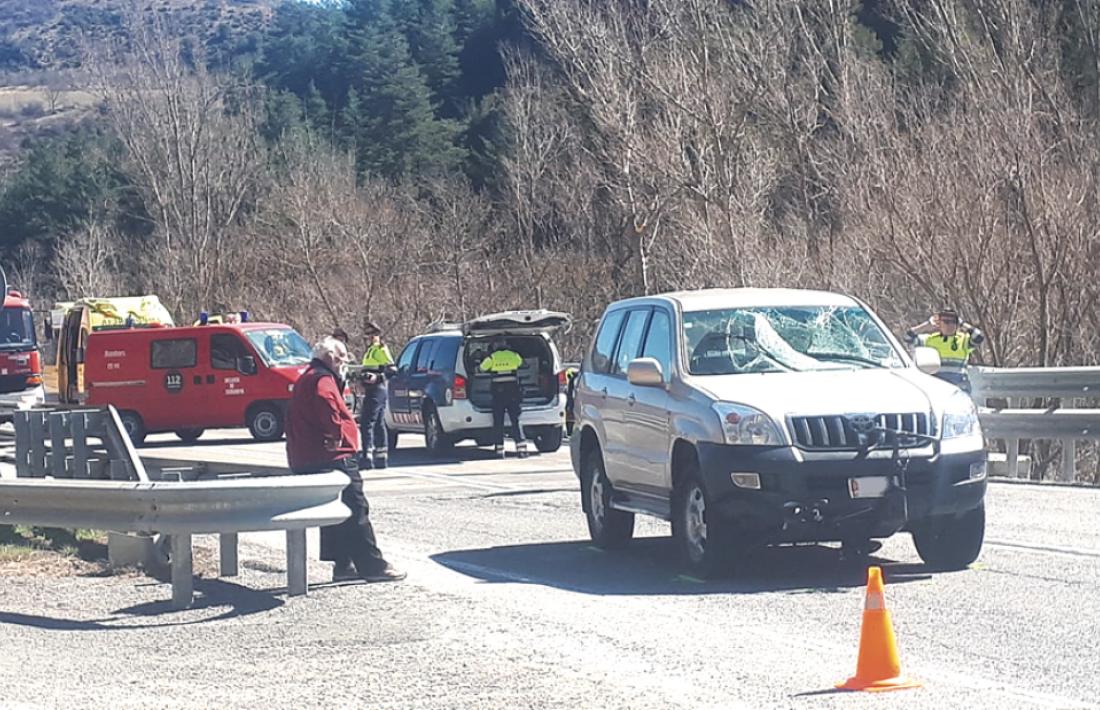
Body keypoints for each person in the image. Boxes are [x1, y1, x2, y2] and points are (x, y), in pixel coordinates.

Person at [285, 336, 405, 583]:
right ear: (330, 358)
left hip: (311, 456)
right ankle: (372, 565)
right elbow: (325, 403)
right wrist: (335, 433)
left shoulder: (309, 376)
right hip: (332, 456)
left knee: (334, 511)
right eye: (342, 359)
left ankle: (343, 565)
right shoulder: (322, 379)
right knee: (355, 508)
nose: (344, 364)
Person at [905, 308, 984, 392]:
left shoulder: (964, 339)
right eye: (946, 322)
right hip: (937, 385)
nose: (949, 325)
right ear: (939, 324)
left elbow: (979, 336)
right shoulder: (929, 339)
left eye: (953, 322)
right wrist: (927, 325)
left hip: (959, 386)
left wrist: (963, 324)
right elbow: (908, 337)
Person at [480, 339, 527, 458]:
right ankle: (521, 448)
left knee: (498, 421)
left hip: (498, 393)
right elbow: (522, 364)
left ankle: (499, 450)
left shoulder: (492, 358)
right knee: (516, 420)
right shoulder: (514, 356)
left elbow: (482, 368)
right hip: (513, 392)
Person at [359, 321, 395, 470]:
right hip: (370, 389)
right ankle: (381, 458)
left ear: (378, 335)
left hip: (377, 388)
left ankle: (367, 456)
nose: (370, 337)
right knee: (378, 422)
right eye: (367, 334)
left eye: (373, 334)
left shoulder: (381, 349)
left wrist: (377, 378)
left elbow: (392, 370)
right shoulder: (370, 350)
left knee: (367, 421)